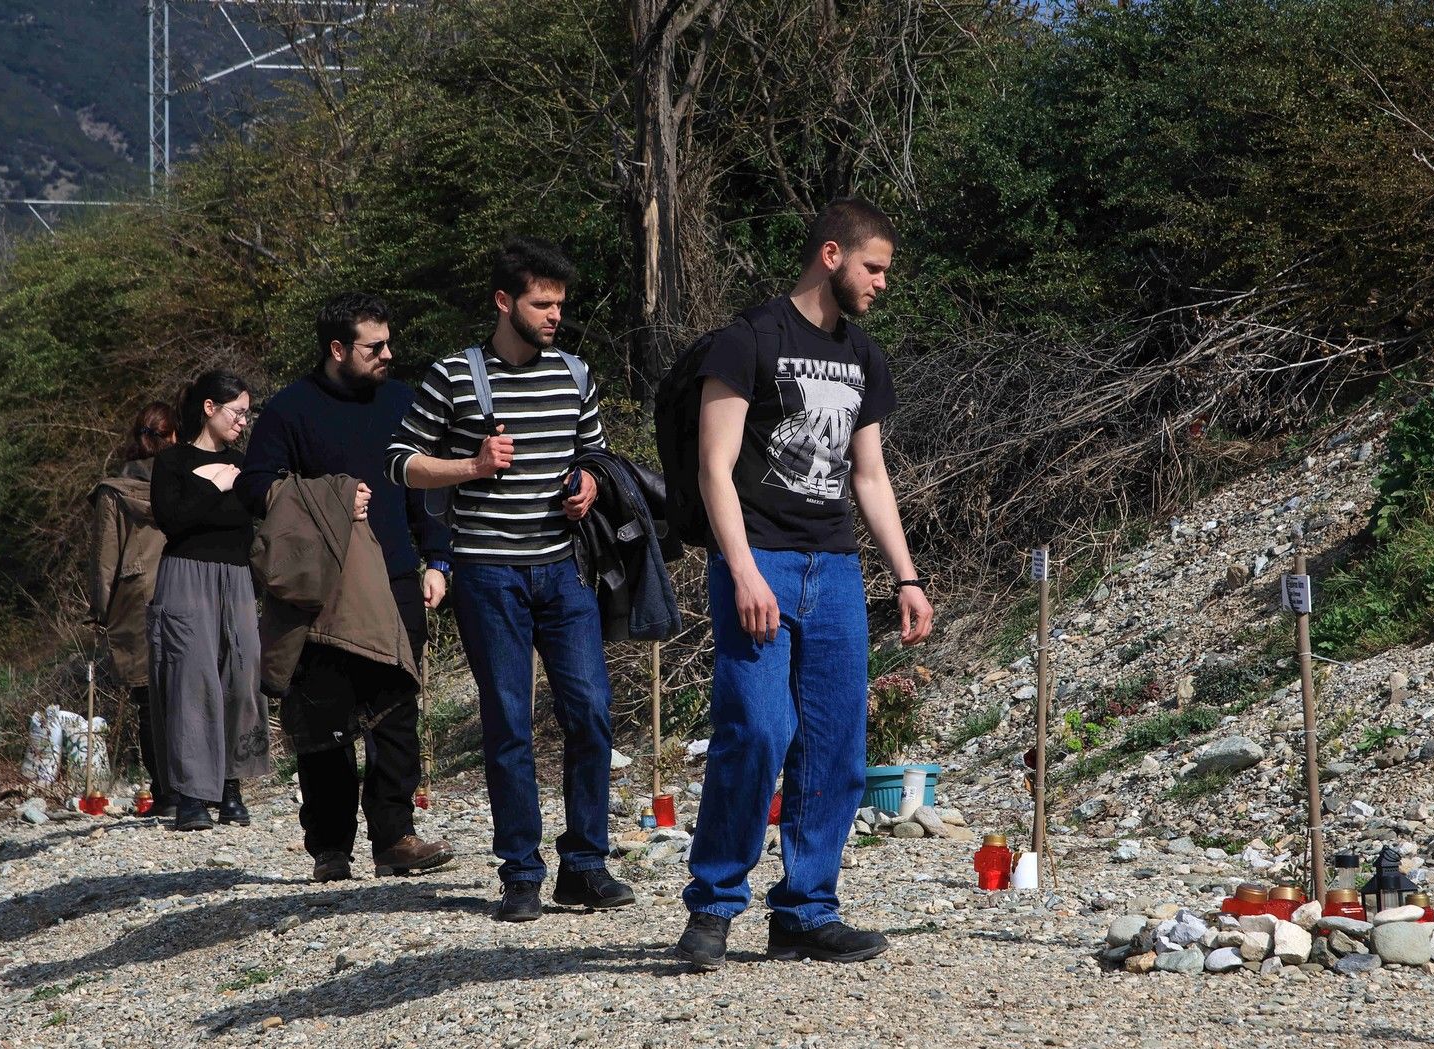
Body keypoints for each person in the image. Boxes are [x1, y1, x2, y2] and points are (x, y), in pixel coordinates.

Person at [675, 198, 935, 970]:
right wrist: (744, 567)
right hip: (760, 562)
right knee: (756, 731)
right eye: (874, 267)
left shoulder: (863, 355)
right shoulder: (748, 338)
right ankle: (714, 906)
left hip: (838, 568)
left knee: (835, 747)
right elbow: (712, 466)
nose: (883, 282)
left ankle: (807, 910)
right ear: (832, 254)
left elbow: (870, 475)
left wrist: (907, 575)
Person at [386, 236, 635, 921]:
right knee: (508, 724)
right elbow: (400, 463)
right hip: (488, 573)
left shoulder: (576, 375)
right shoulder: (454, 377)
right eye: (541, 302)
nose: (555, 314)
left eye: (560, 303)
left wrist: (587, 483)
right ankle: (520, 872)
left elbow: (598, 457)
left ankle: (584, 864)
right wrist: (471, 465)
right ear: (504, 302)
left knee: (589, 711)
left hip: (563, 569)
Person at [236, 291, 455, 882]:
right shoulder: (289, 412)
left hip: (396, 578)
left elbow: (426, 488)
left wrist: (438, 559)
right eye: (374, 346)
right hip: (323, 587)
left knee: (396, 710)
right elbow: (256, 487)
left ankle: (396, 837)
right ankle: (330, 848)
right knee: (325, 720)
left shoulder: (405, 402)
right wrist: (330, 495)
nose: (389, 353)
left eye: (389, 342)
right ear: (337, 349)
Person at [147, 370, 270, 832]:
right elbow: (172, 519)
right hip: (185, 578)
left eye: (247, 414)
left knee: (243, 676)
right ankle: (192, 794)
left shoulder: (243, 464)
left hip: (236, 578)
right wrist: (212, 484)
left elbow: (255, 515)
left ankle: (231, 785)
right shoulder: (173, 461)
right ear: (209, 408)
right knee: (191, 680)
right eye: (237, 412)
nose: (243, 422)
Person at [87, 401, 176, 816]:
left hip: (136, 597)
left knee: (147, 701)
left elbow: (106, 558)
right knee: (184, 695)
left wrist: (99, 610)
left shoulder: (114, 492)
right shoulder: (186, 481)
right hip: (183, 589)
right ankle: (196, 790)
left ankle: (164, 794)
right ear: (173, 437)